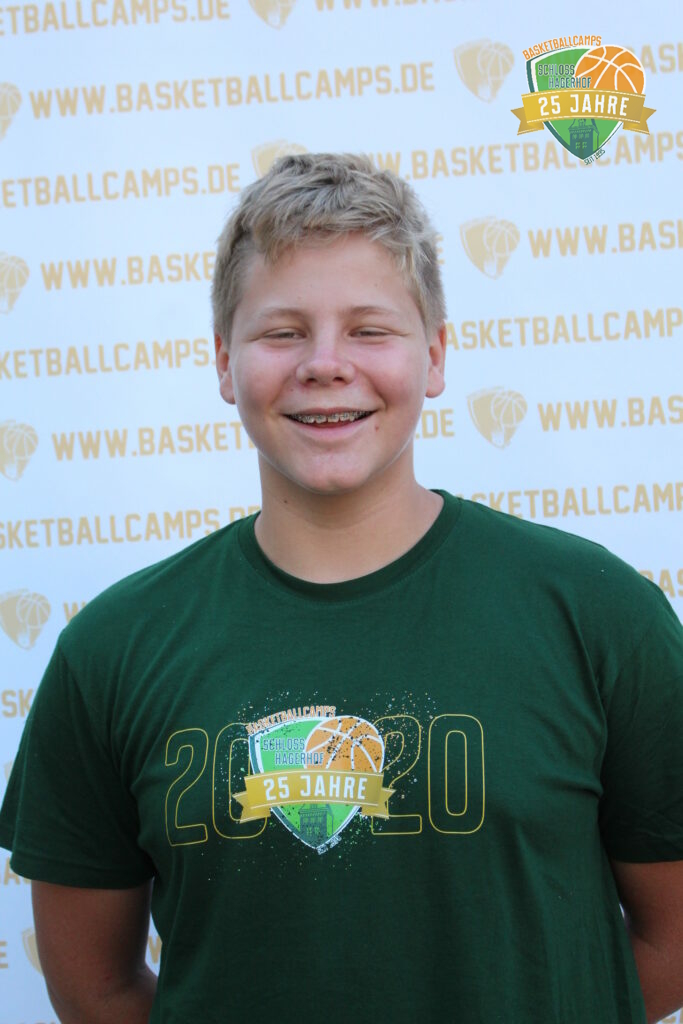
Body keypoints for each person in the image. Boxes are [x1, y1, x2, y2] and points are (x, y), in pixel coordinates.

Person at [1, 153, 682, 1024]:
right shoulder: (115, 647)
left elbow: (669, 940)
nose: (325, 364)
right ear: (224, 364)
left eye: (369, 329)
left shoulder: (596, 612)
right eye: (282, 332)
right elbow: (93, 988)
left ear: (434, 356)